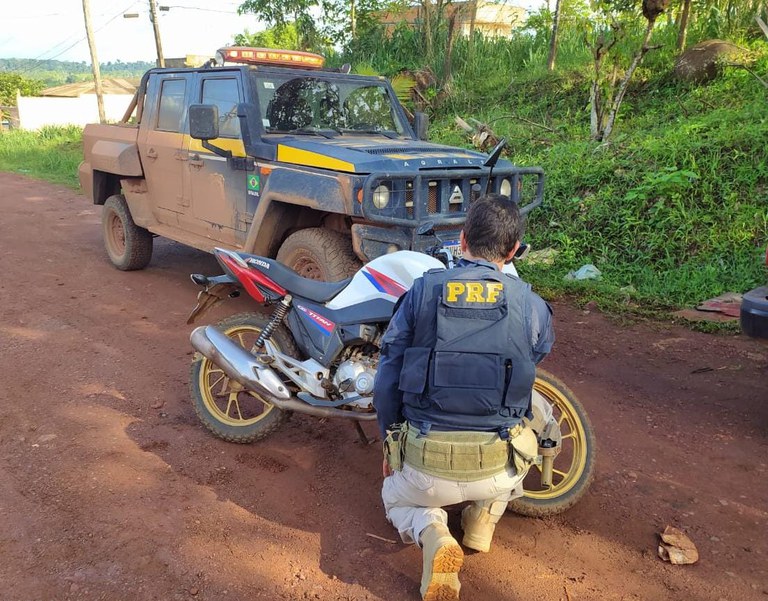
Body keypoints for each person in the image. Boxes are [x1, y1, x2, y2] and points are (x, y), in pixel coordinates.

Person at [374, 194, 555, 601]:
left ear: (461, 239)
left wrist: (389, 441)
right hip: (498, 465)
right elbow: (533, 359)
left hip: (425, 464)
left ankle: (432, 531)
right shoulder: (532, 306)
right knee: (536, 419)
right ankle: (481, 523)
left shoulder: (422, 293)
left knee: (393, 496)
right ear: (511, 251)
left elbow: (387, 377)